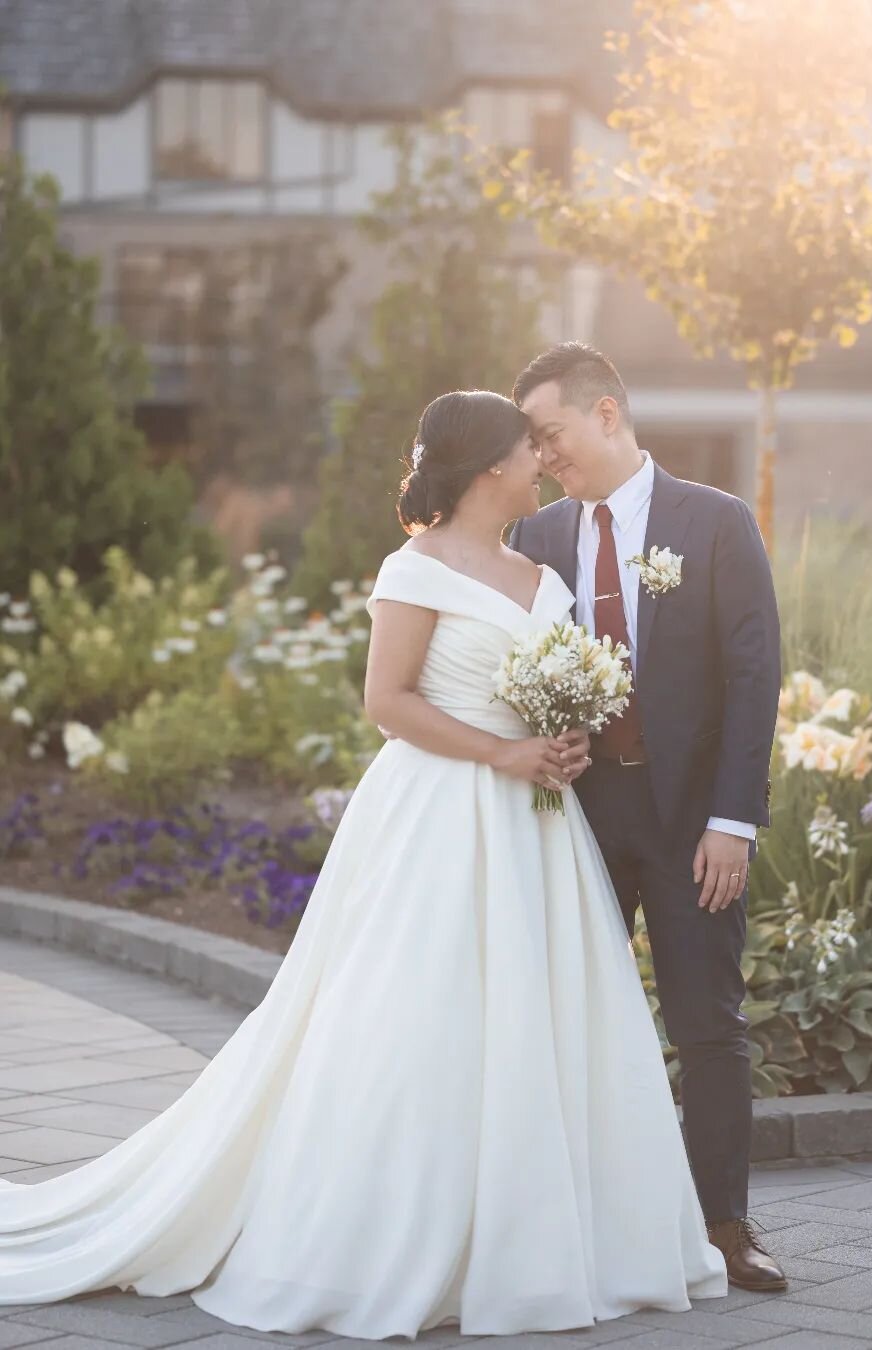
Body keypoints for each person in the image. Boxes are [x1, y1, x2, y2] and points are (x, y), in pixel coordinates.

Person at [0, 390, 728, 1340]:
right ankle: (391, 1233)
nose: (542, 464)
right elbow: (386, 703)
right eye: (526, 451)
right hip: (438, 813)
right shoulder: (414, 567)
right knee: (418, 1016)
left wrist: (560, 739)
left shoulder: (540, 573)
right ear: (485, 469)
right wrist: (501, 752)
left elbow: (553, 693)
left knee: (533, 1023)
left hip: (536, 828)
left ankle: (529, 1237)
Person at [509, 344, 786, 1292]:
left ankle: (725, 1227)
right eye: (534, 444)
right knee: (569, 1021)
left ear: (608, 414)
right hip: (578, 815)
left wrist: (732, 822)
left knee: (707, 1024)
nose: (544, 457)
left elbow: (754, 680)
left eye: (552, 435)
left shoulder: (714, 523)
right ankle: (585, 1226)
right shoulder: (537, 538)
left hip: (690, 820)